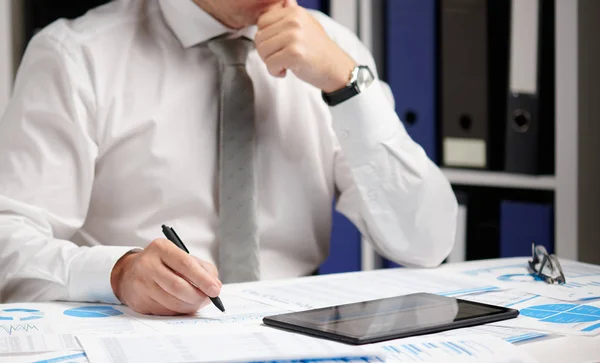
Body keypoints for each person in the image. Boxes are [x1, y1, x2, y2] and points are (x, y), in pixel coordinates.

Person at [0, 0, 458, 315]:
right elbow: (10, 244)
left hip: (301, 338)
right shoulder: (76, 56)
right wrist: (117, 274)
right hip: (140, 339)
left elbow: (427, 243)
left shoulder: (337, 51)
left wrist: (348, 86)